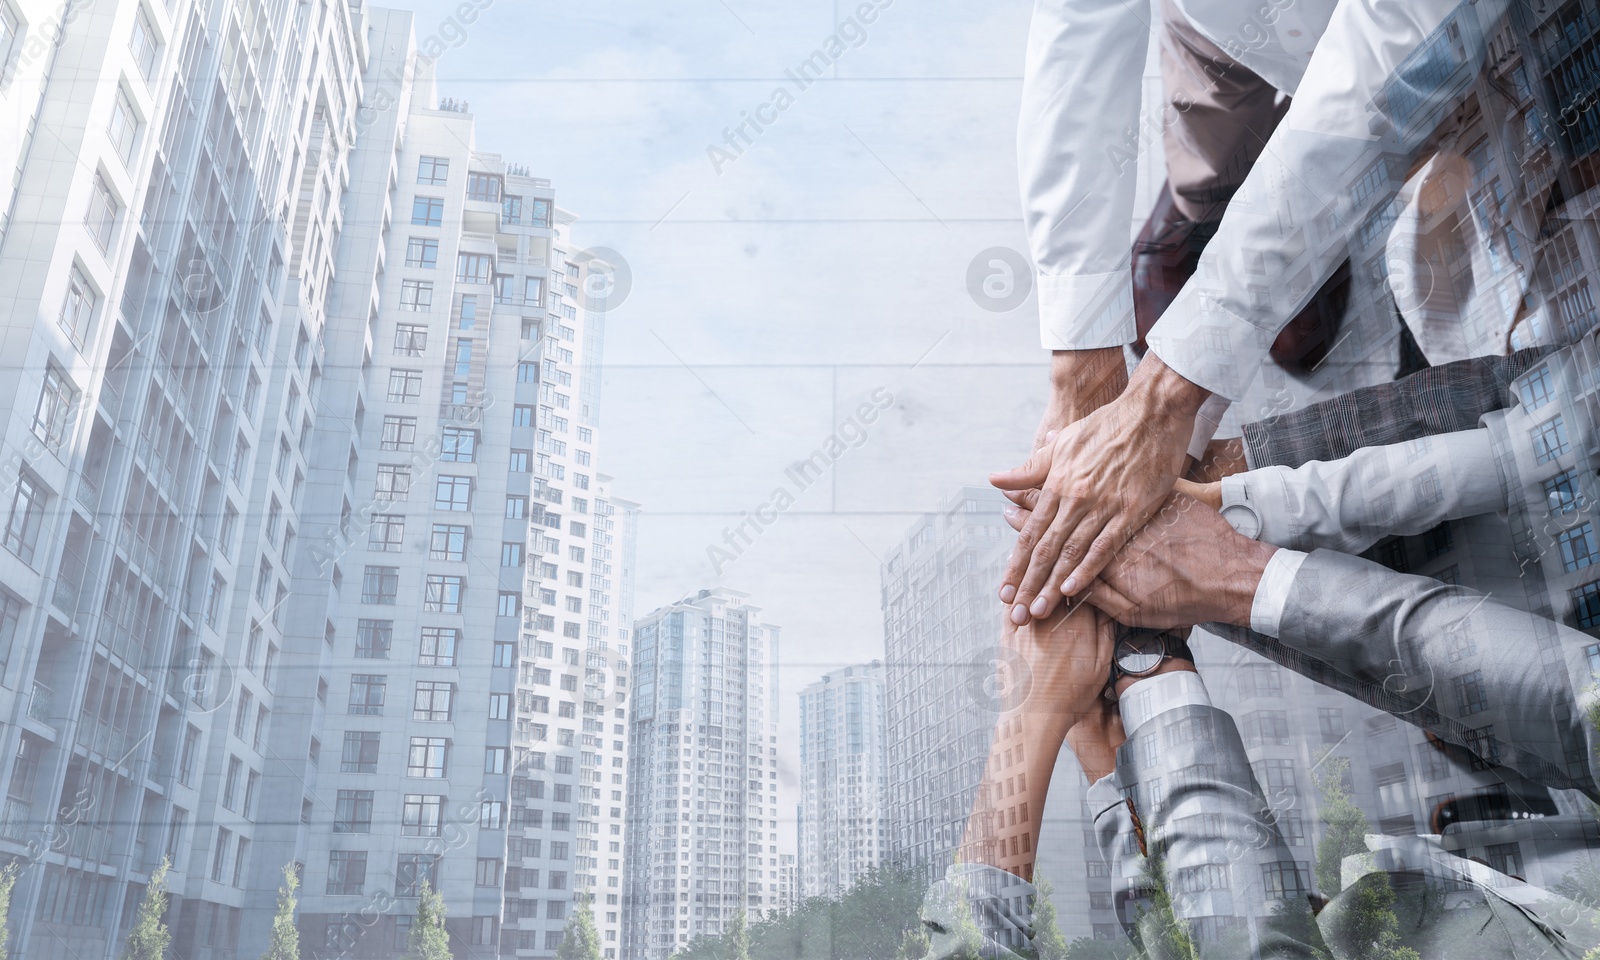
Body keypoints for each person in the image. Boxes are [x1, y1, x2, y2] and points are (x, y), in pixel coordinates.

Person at [1003, 0, 1524, 623]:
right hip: (1248, 29)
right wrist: (1081, 357)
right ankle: (1223, 216)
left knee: (1459, 281)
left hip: (1440, 42)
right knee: (1216, 120)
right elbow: (1078, 19)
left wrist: (1166, 396)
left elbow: (1387, 54)